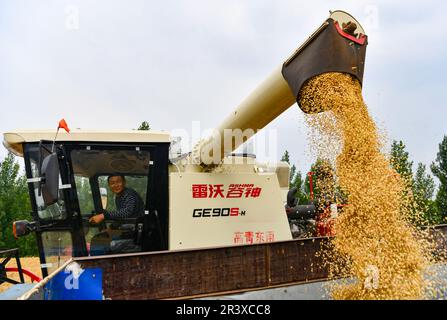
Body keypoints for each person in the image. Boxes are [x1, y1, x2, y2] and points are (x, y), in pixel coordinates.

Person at [89, 175, 145, 255]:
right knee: (98, 238)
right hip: (128, 231)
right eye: (112, 183)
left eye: (118, 181)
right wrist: (111, 228)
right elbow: (121, 218)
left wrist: (103, 216)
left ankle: (100, 264)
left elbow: (127, 212)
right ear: (109, 185)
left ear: (124, 182)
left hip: (136, 234)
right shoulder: (119, 197)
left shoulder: (129, 194)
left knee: (100, 244)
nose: (116, 185)